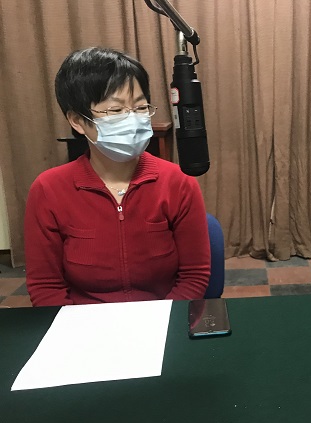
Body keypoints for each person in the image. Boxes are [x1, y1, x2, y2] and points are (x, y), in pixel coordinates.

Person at [25, 47, 211, 306]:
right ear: (77, 120)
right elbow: (45, 287)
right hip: (83, 322)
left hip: (161, 317)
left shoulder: (178, 182)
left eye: (140, 107)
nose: (132, 120)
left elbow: (194, 276)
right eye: (115, 110)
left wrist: (162, 321)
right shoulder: (48, 190)